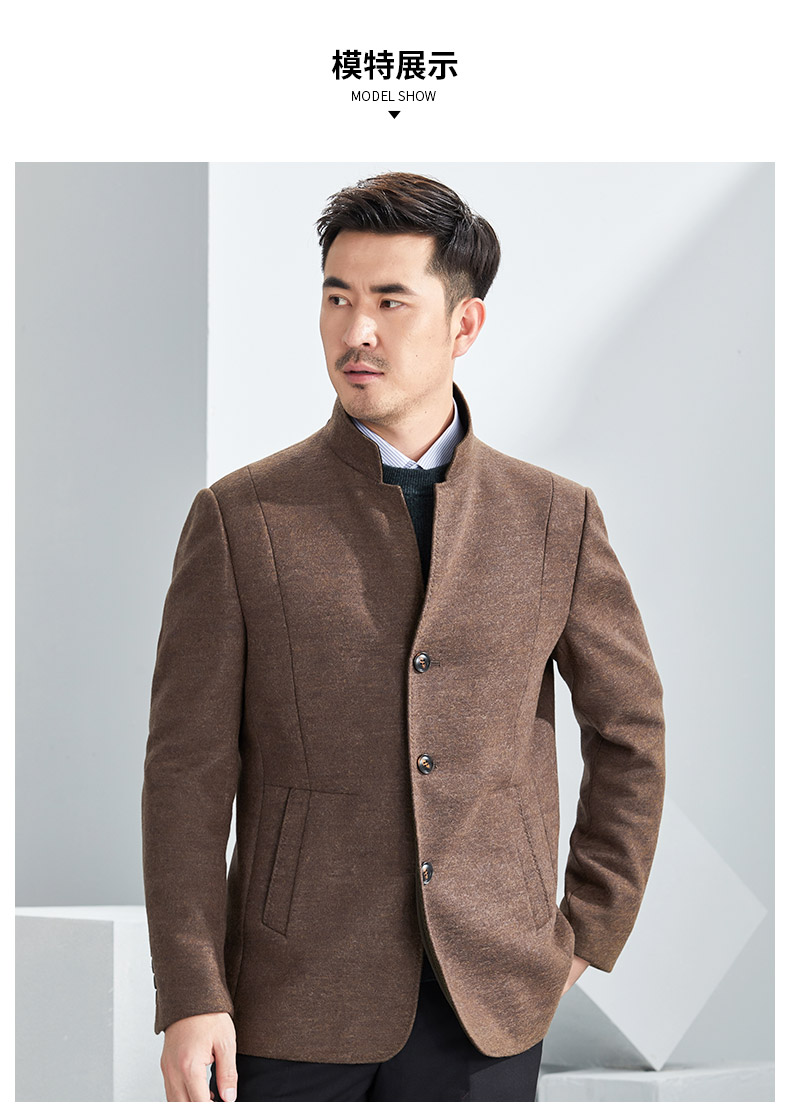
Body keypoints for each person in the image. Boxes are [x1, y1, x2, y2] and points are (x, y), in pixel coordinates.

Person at [141, 171, 666, 1102]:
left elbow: (631, 733)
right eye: (337, 299)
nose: (357, 331)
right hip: (291, 1000)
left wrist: (587, 928)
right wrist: (191, 991)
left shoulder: (555, 518)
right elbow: (186, 772)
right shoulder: (241, 518)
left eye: (391, 301)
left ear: (465, 325)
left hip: (489, 1001)